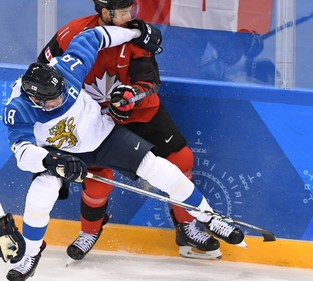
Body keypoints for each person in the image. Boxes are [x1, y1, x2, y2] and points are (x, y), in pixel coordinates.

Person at [3, 25, 245, 280]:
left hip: (103, 136)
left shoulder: (67, 68)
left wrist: (135, 34)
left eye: (62, 91)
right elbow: (22, 153)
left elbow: (94, 37)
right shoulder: (18, 108)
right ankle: (31, 253)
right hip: (61, 152)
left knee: (161, 168)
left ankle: (208, 217)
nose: (62, 98)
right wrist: (50, 159)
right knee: (41, 192)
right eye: (53, 100)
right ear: (35, 100)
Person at [37, 0, 221, 260]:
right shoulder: (71, 33)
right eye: (122, 12)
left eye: (130, 10)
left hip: (138, 111)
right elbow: (42, 74)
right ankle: (90, 230)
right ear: (103, 12)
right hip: (94, 118)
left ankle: (186, 226)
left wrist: (133, 96)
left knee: (182, 159)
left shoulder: (136, 35)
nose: (129, 16)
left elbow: (149, 82)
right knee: (97, 176)